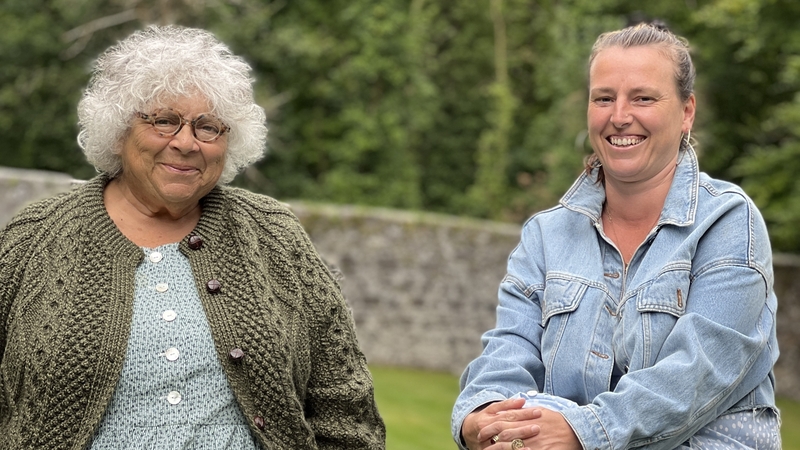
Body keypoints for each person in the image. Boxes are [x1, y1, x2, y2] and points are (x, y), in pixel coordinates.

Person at [0, 25, 385, 449]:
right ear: (118, 129)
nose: (185, 143)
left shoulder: (276, 236)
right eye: (163, 121)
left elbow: (346, 406)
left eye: (208, 128)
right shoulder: (34, 237)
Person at [452, 22, 780, 450]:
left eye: (643, 98)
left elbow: (693, 380)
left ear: (686, 112)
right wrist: (482, 415)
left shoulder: (728, 223)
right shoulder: (546, 235)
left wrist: (578, 431)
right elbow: (507, 352)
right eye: (604, 98)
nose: (619, 116)